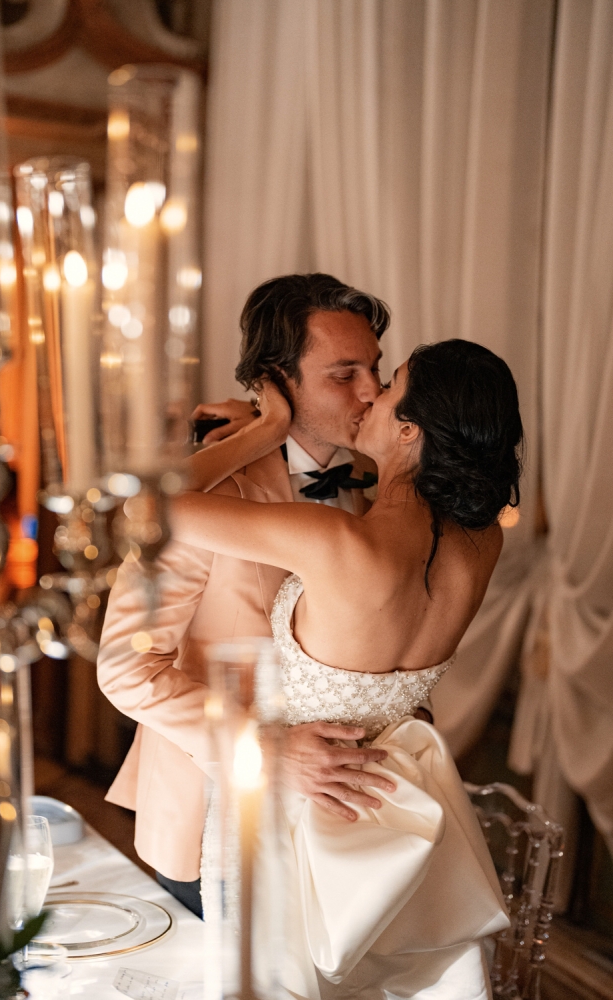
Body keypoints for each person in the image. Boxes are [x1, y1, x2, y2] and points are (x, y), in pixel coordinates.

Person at [172, 338, 522, 1000]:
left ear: (410, 428)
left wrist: (267, 428)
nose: (370, 396)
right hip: (396, 807)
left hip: (295, 811)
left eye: (389, 386)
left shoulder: (335, 539)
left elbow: (149, 508)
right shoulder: (484, 542)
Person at [98, 273, 434, 919]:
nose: (371, 391)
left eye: (374, 369)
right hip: (213, 820)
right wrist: (264, 749)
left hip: (341, 828)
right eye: (344, 374)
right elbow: (125, 668)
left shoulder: (378, 490)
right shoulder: (207, 496)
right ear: (279, 381)